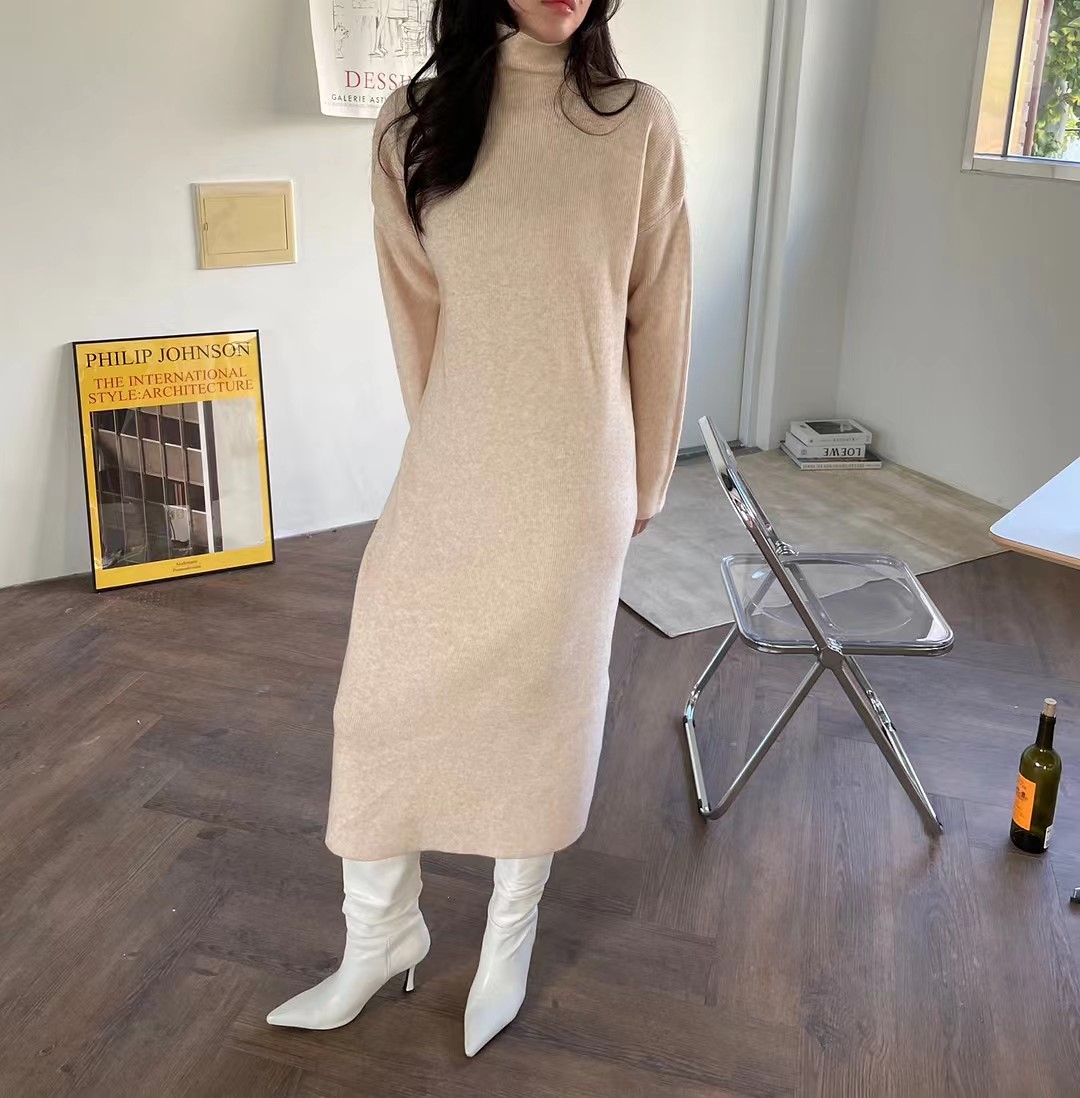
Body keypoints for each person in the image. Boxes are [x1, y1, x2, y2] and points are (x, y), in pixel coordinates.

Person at [268, 0, 692, 1057]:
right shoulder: (411, 125)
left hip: (576, 474)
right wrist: (445, 447)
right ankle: (381, 936)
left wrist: (645, 478)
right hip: (455, 462)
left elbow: (660, 309)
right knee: (377, 699)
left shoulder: (636, 122)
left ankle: (510, 935)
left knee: (541, 704)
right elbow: (413, 308)